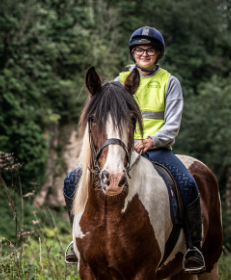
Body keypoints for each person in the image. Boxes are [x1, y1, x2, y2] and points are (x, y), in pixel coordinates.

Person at [63, 26, 205, 273]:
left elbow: (173, 124)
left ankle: (193, 246)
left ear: (158, 53)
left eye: (150, 50)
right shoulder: (118, 82)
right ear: (133, 53)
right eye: (140, 50)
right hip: (121, 149)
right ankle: (77, 239)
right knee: (71, 181)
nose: (145, 54)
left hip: (156, 149)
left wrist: (152, 140)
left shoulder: (170, 82)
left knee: (188, 184)